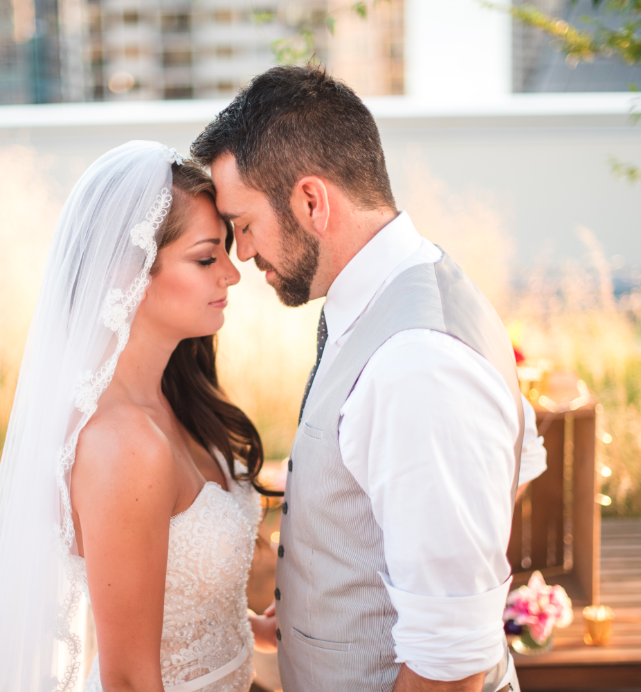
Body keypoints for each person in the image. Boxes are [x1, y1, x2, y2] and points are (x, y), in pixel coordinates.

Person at [190, 66, 545, 692]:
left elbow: (450, 660)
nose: (241, 254)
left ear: (310, 202)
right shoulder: (404, 291)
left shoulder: (418, 360)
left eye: (243, 224)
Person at [0, 140, 277, 692]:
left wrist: (244, 630)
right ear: (128, 274)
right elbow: (129, 679)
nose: (233, 272)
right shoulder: (122, 444)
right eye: (206, 257)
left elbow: (164, 606)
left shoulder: (175, 400)